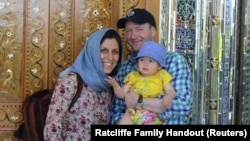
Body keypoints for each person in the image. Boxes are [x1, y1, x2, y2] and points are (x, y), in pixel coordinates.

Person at [111, 8, 192, 125]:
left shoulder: (173, 61)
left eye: (139, 29)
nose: (133, 36)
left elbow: (183, 106)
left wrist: (139, 102)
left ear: (153, 31)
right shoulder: (126, 66)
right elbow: (116, 111)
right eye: (128, 30)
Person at [43, 28, 123, 141]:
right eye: (104, 50)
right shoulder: (71, 82)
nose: (110, 57)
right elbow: (53, 126)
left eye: (115, 52)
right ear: (92, 52)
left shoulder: (109, 86)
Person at [106, 40, 176, 125]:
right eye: (142, 59)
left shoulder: (162, 75)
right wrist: (116, 86)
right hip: (133, 111)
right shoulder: (133, 76)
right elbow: (122, 94)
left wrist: (168, 96)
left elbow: (170, 90)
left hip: (152, 113)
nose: (145, 64)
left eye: (150, 61)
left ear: (159, 66)